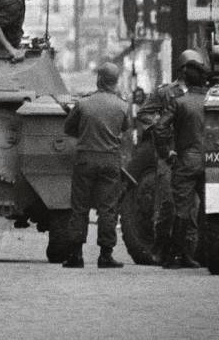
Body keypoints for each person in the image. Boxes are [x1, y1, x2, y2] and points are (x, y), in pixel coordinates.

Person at [138, 49, 209, 269]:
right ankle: (161, 248)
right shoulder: (166, 92)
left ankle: (187, 250)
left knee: (191, 208)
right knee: (168, 203)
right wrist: (162, 137)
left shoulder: (202, 94)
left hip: (188, 152)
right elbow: (144, 113)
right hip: (172, 152)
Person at [61, 62, 133, 269]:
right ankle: (105, 255)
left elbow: (69, 129)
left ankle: (76, 255)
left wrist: (85, 134)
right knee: (108, 209)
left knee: (80, 208)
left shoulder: (83, 104)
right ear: (116, 81)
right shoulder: (122, 105)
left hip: (85, 160)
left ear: (99, 79)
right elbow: (125, 129)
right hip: (110, 161)